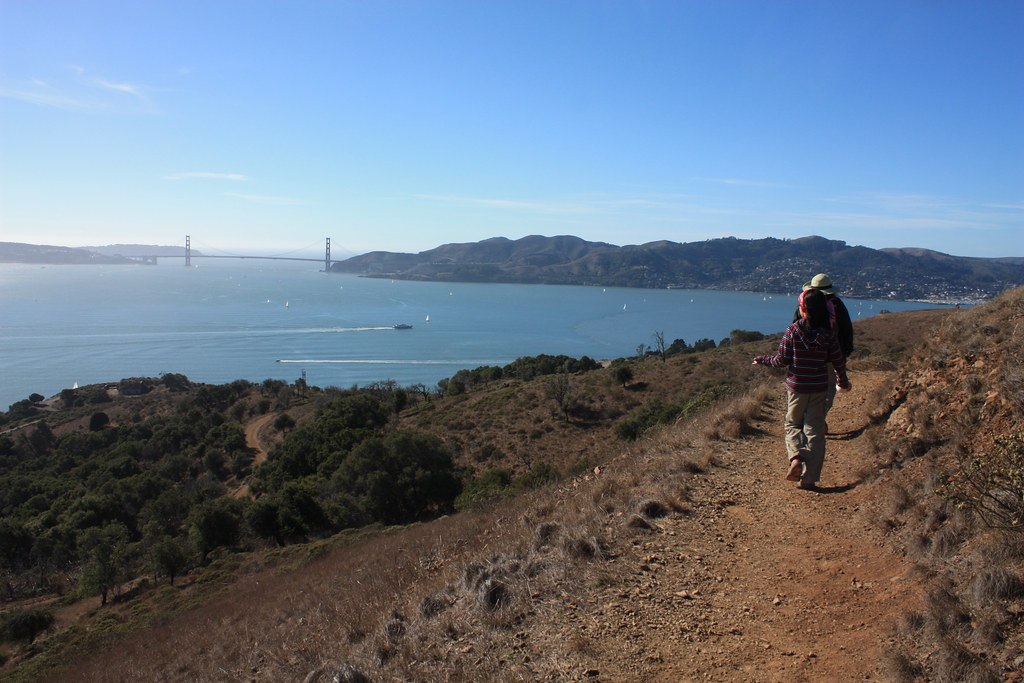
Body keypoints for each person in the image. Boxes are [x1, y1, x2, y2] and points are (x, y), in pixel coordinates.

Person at [755, 288, 851, 490]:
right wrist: (842, 380)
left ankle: (796, 457)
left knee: (792, 425)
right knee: (814, 430)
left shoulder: (793, 331)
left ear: (803, 309)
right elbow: (837, 361)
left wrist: (762, 360)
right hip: (818, 387)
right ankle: (809, 478)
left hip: (797, 388)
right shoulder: (829, 335)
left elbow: (782, 360)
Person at [792, 273, 853, 415]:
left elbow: (794, 328)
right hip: (830, 356)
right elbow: (846, 330)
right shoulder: (837, 305)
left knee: (803, 389)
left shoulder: (803, 305)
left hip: (805, 357)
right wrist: (845, 352)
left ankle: (805, 419)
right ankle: (817, 419)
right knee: (828, 389)